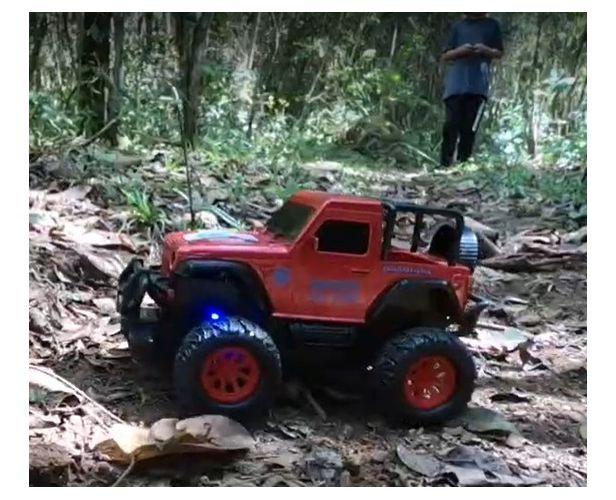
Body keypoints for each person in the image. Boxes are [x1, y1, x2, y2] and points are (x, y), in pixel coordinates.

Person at [440, 13, 503, 167]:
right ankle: (444, 164)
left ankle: (463, 163)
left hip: (478, 84)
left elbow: (499, 52)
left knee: (469, 127)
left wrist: (484, 49)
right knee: (451, 124)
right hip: (456, 83)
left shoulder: (492, 25)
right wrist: (460, 50)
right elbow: (446, 55)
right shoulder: (459, 26)